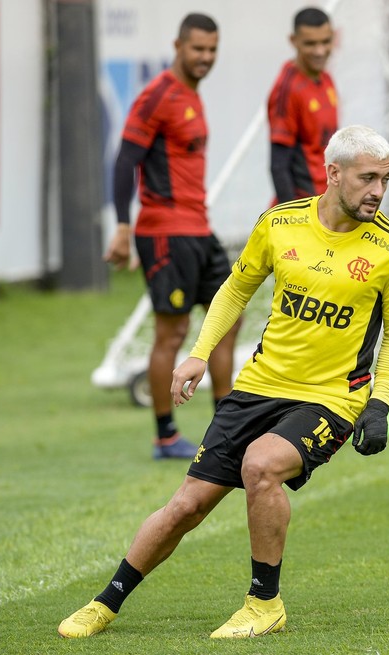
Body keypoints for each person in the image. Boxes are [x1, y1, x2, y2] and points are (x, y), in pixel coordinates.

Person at [58, 125, 389, 639]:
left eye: (385, 179)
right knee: (187, 505)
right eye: (367, 178)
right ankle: (105, 602)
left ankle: (263, 604)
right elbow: (234, 290)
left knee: (262, 465)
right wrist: (198, 355)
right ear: (333, 173)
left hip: (331, 398)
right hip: (259, 385)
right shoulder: (280, 224)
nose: (378, 191)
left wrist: (378, 405)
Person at [267, 6, 389, 439]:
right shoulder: (288, 88)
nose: (320, 51)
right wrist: (305, 223)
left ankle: (366, 401)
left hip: (336, 220)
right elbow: (280, 161)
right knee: (297, 319)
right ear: (294, 42)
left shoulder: (326, 83)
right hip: (310, 223)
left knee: (358, 310)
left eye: (326, 42)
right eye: (310, 44)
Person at [104, 13, 240, 460]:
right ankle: (165, 436)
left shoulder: (191, 95)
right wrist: (123, 226)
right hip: (165, 232)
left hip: (199, 229)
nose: (205, 57)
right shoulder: (158, 95)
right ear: (177, 45)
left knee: (228, 319)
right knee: (173, 332)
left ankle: (226, 430)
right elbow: (126, 161)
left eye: (212, 50)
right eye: (197, 48)